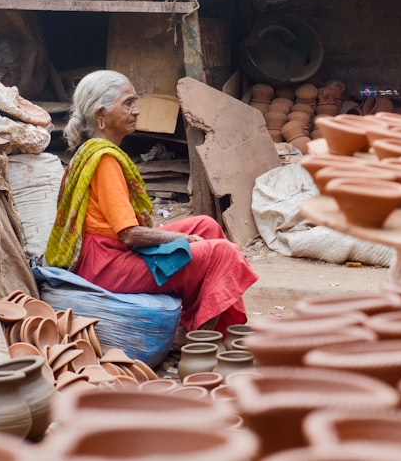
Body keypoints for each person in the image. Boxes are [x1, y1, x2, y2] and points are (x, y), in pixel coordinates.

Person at [45, 70, 258, 337]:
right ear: (101, 116)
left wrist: (182, 237)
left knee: (206, 225)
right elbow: (129, 234)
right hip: (106, 265)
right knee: (224, 253)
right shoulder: (105, 161)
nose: (136, 111)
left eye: (135, 102)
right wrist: (179, 238)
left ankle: (228, 329)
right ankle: (203, 337)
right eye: (127, 103)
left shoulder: (96, 152)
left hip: (104, 253)